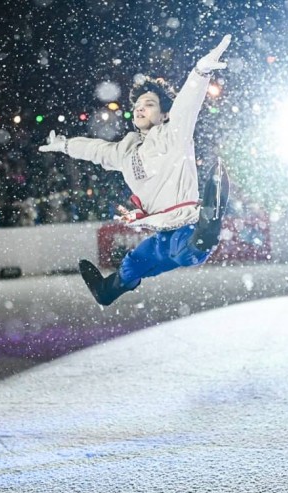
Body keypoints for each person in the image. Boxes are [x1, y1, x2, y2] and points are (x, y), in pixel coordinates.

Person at [39, 34, 233, 306]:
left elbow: (188, 104)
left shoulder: (173, 134)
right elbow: (96, 150)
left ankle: (207, 228)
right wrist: (66, 145)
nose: (140, 108)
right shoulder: (126, 151)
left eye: (149, 104)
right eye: (138, 105)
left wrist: (200, 72)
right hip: (160, 231)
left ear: (165, 114)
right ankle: (107, 292)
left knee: (185, 252)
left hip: (186, 226)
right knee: (133, 263)